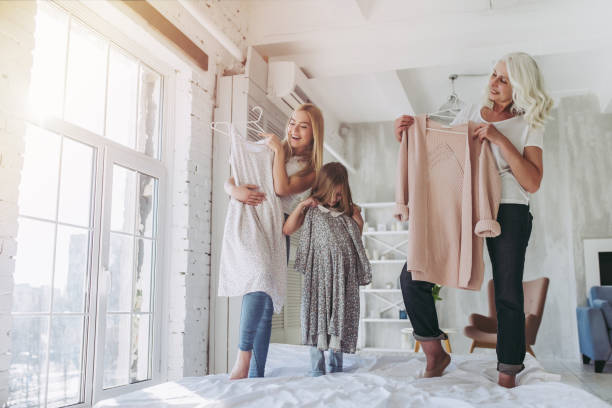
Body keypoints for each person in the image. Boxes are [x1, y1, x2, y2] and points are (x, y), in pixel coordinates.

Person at [393, 52, 553, 387]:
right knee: (413, 275)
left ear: (520, 87)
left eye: (503, 79)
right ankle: (435, 351)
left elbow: (532, 181)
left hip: (509, 207)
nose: (493, 83)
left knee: (508, 290)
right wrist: (407, 137)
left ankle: (508, 369)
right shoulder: (468, 111)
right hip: (465, 203)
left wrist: (498, 138)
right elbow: (443, 154)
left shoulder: (530, 122)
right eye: (494, 75)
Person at [223, 103, 325, 379]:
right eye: (292, 122)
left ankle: (256, 372)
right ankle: (242, 361)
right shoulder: (270, 148)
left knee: (267, 302)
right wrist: (234, 191)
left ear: (314, 133)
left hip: (277, 229)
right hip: (252, 219)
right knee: (258, 279)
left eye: (303, 126)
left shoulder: (312, 170)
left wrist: (279, 151)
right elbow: (237, 173)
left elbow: (281, 188)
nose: (294, 129)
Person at [284, 162, 371, 377]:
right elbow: (287, 229)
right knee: (317, 316)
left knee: (339, 317)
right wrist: (302, 205)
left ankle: (336, 366)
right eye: (331, 194)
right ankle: (316, 367)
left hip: (342, 277)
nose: (334, 199)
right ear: (322, 188)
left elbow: (356, 237)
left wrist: (357, 217)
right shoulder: (313, 210)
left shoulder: (346, 214)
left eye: (339, 195)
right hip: (319, 276)